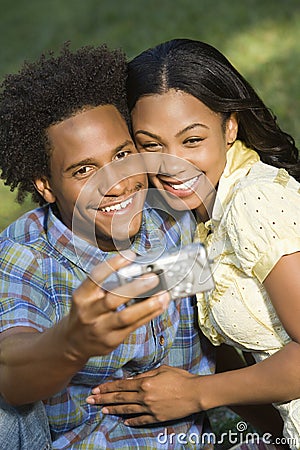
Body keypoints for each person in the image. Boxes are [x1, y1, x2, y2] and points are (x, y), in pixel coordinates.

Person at [0, 43, 216, 449]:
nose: (116, 183)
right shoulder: (25, 255)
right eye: (83, 170)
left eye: (122, 154)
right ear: (45, 185)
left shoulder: (173, 216)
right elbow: (12, 374)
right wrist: (70, 343)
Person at [88, 39, 300, 447]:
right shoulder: (194, 216)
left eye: (191, 140)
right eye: (151, 145)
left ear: (230, 126)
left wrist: (193, 395)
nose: (172, 164)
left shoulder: (254, 202)